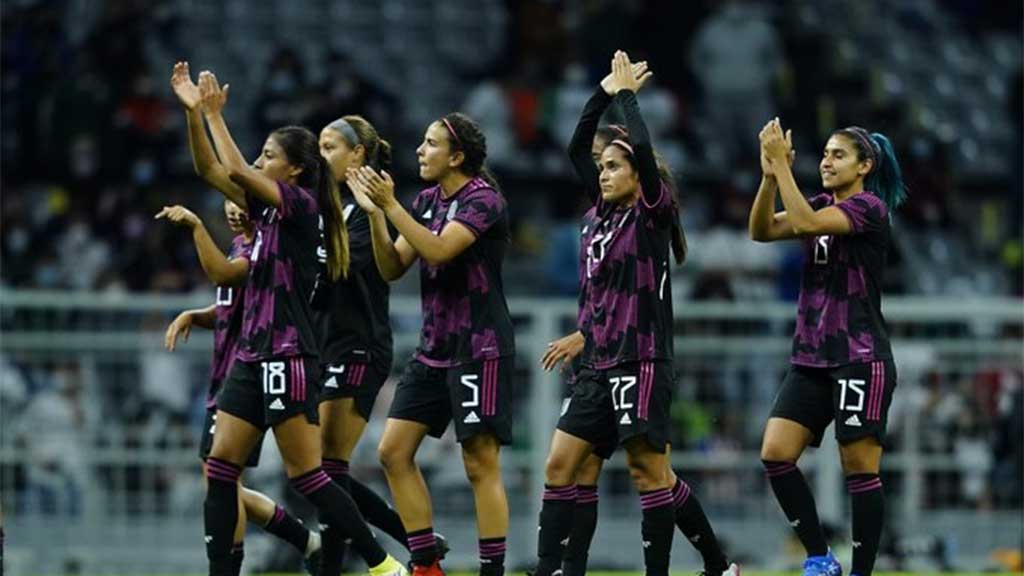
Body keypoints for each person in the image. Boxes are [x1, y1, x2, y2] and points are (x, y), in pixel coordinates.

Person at [169, 61, 405, 576]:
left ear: (293, 170)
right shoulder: (267, 212)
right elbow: (211, 171)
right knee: (219, 467)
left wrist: (215, 115)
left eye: (268, 156)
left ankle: (382, 562)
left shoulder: (300, 206)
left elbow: (233, 169)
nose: (258, 161)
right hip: (251, 354)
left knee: (309, 474)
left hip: (289, 352)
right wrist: (194, 116)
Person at [531, 51, 738, 576]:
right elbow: (578, 144)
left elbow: (642, 148)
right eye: (601, 168)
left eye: (613, 166)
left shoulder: (651, 215)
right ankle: (553, 570)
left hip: (641, 358)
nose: (602, 174)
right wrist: (602, 93)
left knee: (651, 473)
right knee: (561, 466)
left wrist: (627, 97)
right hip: (598, 363)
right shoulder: (598, 215)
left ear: (638, 175)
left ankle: (709, 567)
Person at [346, 111, 514, 576]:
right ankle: (426, 563)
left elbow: (439, 249)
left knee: (480, 464)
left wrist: (392, 205)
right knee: (392, 451)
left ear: (457, 156)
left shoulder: (484, 200)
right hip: (433, 347)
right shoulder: (425, 200)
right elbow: (392, 265)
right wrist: (376, 214)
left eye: (431, 143)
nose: (420, 150)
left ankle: (492, 570)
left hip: (479, 348)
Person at [750, 118, 907, 576]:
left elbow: (804, 221)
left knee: (858, 466)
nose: (826, 162)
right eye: (823, 154)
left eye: (838, 155)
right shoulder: (817, 203)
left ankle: (861, 572)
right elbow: (761, 231)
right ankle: (820, 556)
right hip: (811, 356)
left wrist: (782, 167)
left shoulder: (869, 208)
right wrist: (768, 179)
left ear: (865, 166)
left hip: (860, 356)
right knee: (776, 453)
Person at [314, 115, 447, 575]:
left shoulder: (365, 209)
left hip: (358, 344)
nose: (320, 156)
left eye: (330, 147)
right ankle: (411, 538)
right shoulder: (324, 209)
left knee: (323, 468)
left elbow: (352, 268)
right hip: (322, 345)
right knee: (321, 471)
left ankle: (357, 562)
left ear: (357, 155)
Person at [159, 198, 322, 572]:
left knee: (223, 478)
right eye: (227, 203)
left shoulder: (266, 246)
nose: (233, 210)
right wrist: (197, 315)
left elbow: (223, 274)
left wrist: (197, 227)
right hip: (226, 374)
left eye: (241, 203)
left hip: (246, 374)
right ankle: (307, 541)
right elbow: (232, 302)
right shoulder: (239, 244)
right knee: (221, 482)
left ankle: (235, 565)